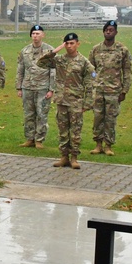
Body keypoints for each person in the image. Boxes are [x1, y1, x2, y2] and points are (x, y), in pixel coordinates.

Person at [37, 33, 95, 169]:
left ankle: (74, 157)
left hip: (76, 102)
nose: (69, 46)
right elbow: (40, 63)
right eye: (67, 44)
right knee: (63, 131)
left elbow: (90, 84)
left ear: (77, 44)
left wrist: (87, 104)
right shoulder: (59, 60)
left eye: (72, 43)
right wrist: (55, 51)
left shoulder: (84, 62)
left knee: (75, 131)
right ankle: (63, 156)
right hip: (61, 101)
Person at [88, 20, 132, 155]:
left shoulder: (122, 50)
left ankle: (108, 145)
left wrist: (124, 90)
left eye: (111, 29)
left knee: (110, 118)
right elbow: (91, 69)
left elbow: (127, 71)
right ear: (103, 32)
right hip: (98, 90)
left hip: (114, 91)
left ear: (116, 32)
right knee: (98, 117)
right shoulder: (96, 49)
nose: (108, 32)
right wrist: (92, 85)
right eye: (106, 29)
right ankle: (98, 144)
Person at [15, 25, 55, 148]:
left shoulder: (49, 51)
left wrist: (51, 89)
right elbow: (20, 69)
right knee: (29, 114)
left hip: (43, 88)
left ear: (43, 35)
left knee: (41, 114)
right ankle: (29, 138)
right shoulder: (25, 51)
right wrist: (19, 87)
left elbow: (53, 71)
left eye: (38, 33)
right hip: (28, 87)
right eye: (33, 34)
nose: (35, 36)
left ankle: (39, 139)